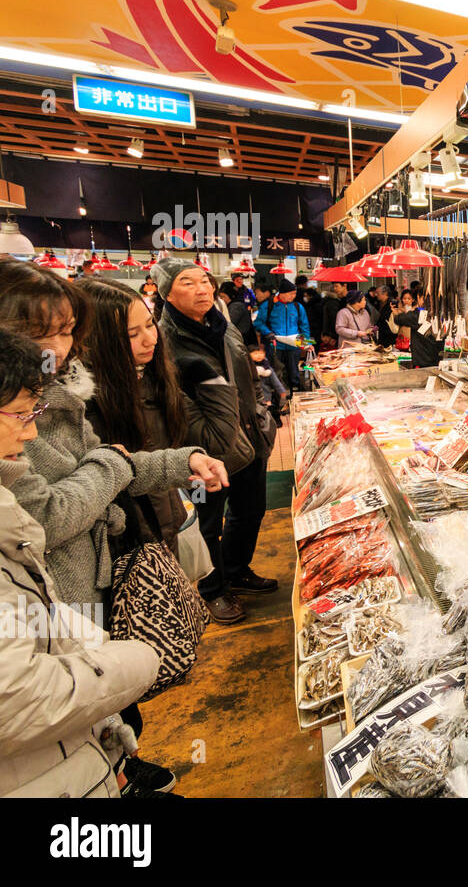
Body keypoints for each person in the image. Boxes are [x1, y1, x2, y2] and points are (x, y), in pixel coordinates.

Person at [0, 260, 225, 613]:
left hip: (112, 570)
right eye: (41, 333)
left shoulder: (65, 392)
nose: (59, 349)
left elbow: (119, 462)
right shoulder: (23, 412)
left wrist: (186, 459)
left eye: (67, 330)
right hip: (65, 601)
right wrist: (110, 463)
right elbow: (42, 517)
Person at [0, 329, 161, 799]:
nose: (28, 431)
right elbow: (20, 701)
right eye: (18, 415)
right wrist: (136, 658)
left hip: (64, 764)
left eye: (71, 329)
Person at [153, 259, 277, 625]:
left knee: (250, 510)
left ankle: (237, 569)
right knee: (207, 522)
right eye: (188, 283)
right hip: (203, 449)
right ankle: (212, 590)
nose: (202, 289)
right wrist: (201, 446)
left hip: (248, 435)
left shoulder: (223, 326)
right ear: (167, 293)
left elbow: (247, 374)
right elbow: (174, 404)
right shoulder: (163, 338)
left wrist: (260, 411)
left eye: (204, 280)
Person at [80, 279, 199, 555]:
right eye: (132, 334)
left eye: (149, 324)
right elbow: (118, 470)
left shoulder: (151, 375)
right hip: (123, 542)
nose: (151, 338)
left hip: (164, 523)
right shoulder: (86, 400)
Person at [254, 279, 313, 394]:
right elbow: (258, 323)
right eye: (291, 294)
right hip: (275, 347)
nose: (293, 296)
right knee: (276, 374)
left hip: (293, 346)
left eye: (294, 293)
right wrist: (268, 333)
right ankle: (278, 400)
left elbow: (304, 326)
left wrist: (306, 343)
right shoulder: (268, 305)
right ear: (282, 293)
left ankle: (295, 395)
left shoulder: (297, 306)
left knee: (294, 374)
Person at [390, 291, 445, 369]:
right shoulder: (441, 314)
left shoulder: (417, 314)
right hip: (438, 360)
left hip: (422, 361)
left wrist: (398, 312)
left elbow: (399, 319)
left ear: (419, 298)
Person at [218, 280, 256, 348]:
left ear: (231, 296)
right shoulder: (236, 304)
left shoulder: (236, 306)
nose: (222, 300)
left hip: (242, 342)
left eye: (223, 297)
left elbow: (229, 322)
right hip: (242, 340)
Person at [320, 282, 349, 351]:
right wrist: (333, 336)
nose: (335, 289)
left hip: (332, 335)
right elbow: (334, 320)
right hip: (334, 336)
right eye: (334, 287)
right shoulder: (333, 303)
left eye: (336, 286)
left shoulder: (329, 301)